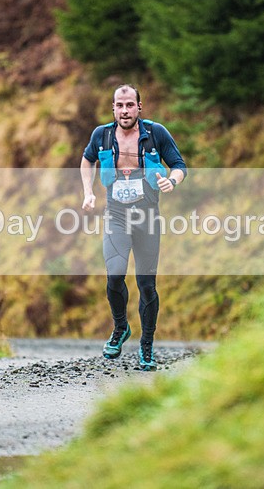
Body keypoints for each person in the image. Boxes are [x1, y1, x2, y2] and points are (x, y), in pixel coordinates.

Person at [80, 84, 187, 371]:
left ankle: (147, 347)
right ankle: (120, 327)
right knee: (114, 276)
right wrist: (88, 192)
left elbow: (179, 165)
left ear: (140, 107)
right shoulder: (101, 135)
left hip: (147, 218)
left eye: (130, 105)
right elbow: (87, 159)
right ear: (113, 108)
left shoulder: (156, 133)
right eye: (119, 105)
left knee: (146, 285)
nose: (124, 110)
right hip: (115, 216)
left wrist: (172, 180)